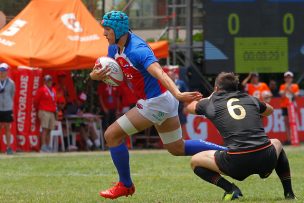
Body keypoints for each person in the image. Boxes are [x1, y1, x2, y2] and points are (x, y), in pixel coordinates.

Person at [90, 10, 226, 199]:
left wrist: (178, 93)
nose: (104, 33)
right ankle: (231, 153)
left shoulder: (138, 49)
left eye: (107, 30)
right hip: (161, 100)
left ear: (118, 30)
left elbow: (160, 73)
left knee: (111, 135)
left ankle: (125, 185)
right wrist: (95, 76)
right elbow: (114, 73)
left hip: (156, 102)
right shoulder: (113, 49)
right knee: (177, 148)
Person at [186, 72, 295, 200]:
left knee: (195, 161)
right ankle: (289, 193)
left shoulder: (211, 103)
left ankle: (231, 189)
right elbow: (270, 110)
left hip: (237, 163)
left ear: (216, 88)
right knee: (276, 142)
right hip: (266, 158)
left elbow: (190, 107)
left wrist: (210, 96)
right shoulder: (250, 98)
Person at [34, 75, 57, 153]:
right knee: (44, 129)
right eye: (47, 81)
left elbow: (54, 101)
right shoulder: (42, 90)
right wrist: (40, 109)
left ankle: (47, 145)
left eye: (50, 80)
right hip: (44, 111)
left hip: (51, 112)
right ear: (44, 81)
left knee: (50, 129)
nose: (49, 82)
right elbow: (36, 101)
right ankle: (43, 146)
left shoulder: (53, 90)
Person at [167, 67, 190, 139]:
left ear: (174, 75)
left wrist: (185, 107)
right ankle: (172, 142)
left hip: (180, 108)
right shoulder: (166, 84)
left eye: (171, 75)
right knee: (171, 127)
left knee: (182, 125)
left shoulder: (180, 83)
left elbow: (186, 94)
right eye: (168, 75)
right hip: (169, 109)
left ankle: (184, 142)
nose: (170, 76)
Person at [279, 71, 300, 145]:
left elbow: (296, 95)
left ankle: (295, 138)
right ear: (285, 78)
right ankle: (289, 139)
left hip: (292, 106)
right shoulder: (282, 86)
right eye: (287, 77)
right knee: (286, 123)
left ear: (292, 78)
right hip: (285, 106)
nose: (288, 79)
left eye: (289, 77)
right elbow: (282, 95)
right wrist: (286, 88)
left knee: (293, 122)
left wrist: (289, 88)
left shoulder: (295, 86)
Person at [0, 63, 15, 155]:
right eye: (1, 71)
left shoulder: (11, 83)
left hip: (7, 108)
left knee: (7, 128)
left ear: (7, 71)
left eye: (4, 71)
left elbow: (12, 95)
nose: (2, 73)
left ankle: (8, 147)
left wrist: (8, 104)